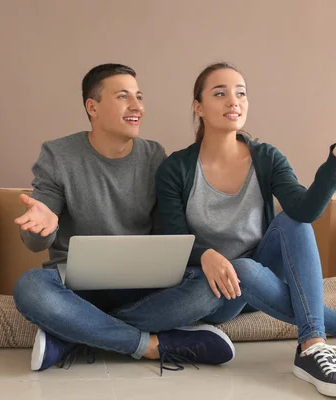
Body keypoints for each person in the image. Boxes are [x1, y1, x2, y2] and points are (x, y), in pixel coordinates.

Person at [155, 62, 336, 398]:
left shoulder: (266, 157)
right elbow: (172, 238)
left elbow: (306, 210)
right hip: (213, 288)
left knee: (292, 220)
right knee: (242, 267)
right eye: (220, 93)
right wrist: (206, 255)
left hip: (263, 271)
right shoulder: (176, 168)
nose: (234, 101)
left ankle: (312, 346)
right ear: (198, 107)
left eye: (241, 93)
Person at [12, 63, 235, 374]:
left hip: (141, 287)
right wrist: (44, 224)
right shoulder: (58, 155)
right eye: (122, 97)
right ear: (93, 107)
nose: (137, 107)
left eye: (139, 96)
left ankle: (74, 335)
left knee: (209, 288)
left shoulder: (155, 156)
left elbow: (165, 234)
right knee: (30, 287)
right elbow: (34, 241)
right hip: (77, 289)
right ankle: (151, 345)